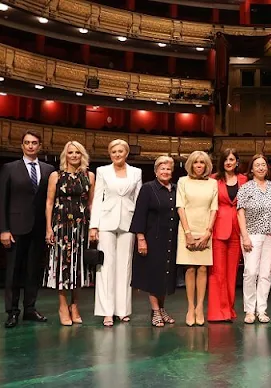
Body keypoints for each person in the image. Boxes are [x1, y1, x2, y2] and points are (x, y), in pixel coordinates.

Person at [0, 130, 55, 328]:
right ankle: (12, 311)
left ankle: (30, 309)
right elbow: (2, 200)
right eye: (27, 143)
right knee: (13, 271)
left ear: (39, 146)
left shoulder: (49, 170)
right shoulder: (9, 168)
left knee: (33, 270)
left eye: (34, 143)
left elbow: (50, 201)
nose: (30, 146)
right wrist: (3, 229)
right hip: (15, 229)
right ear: (22, 146)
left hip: (39, 228)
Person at [90, 139, 142, 327]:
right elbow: (97, 198)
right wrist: (93, 226)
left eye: (121, 151)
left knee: (125, 266)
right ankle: (107, 312)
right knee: (105, 267)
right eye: (114, 152)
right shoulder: (102, 171)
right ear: (109, 154)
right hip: (106, 221)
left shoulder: (137, 172)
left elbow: (138, 201)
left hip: (128, 222)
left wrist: (139, 227)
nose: (117, 154)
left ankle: (123, 310)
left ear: (126, 153)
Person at [43, 141, 95, 326]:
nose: (74, 155)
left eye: (78, 153)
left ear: (82, 155)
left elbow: (90, 204)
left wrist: (94, 227)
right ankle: (63, 306)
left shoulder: (89, 175)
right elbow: (49, 203)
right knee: (62, 266)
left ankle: (75, 306)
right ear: (66, 155)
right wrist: (48, 228)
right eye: (71, 152)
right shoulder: (56, 175)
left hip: (81, 226)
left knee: (78, 266)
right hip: (61, 225)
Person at [130, 156, 179, 327]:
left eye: (168, 169)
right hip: (152, 238)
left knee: (165, 275)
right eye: (162, 169)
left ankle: (162, 308)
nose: (165, 172)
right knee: (154, 275)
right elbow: (139, 215)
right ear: (156, 171)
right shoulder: (148, 189)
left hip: (170, 238)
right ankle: (155, 310)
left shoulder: (175, 189)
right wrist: (140, 239)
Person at [237, 154, 271, 324]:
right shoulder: (246, 188)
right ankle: (249, 310)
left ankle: (261, 310)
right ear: (252, 169)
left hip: (270, 234)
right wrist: (245, 236)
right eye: (257, 165)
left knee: (265, 274)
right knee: (251, 272)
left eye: (263, 165)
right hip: (252, 234)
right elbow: (240, 212)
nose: (261, 168)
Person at [176, 150, 218, 326]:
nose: (199, 166)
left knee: (202, 269)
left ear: (206, 165)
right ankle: (190, 307)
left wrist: (208, 232)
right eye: (196, 162)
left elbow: (214, 208)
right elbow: (180, 207)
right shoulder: (183, 181)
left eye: (202, 162)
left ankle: (200, 307)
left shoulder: (213, 183)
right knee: (190, 269)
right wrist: (188, 233)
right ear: (190, 165)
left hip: (206, 228)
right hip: (187, 229)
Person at [208, 148, 247, 322]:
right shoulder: (213, 179)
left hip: (237, 229)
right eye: (226, 160)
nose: (229, 162)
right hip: (218, 227)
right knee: (217, 272)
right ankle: (217, 312)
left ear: (237, 161)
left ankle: (229, 310)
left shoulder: (244, 180)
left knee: (232, 273)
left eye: (232, 159)